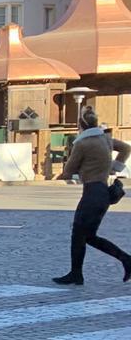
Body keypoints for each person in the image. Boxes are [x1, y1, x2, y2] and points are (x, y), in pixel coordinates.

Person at [53, 109, 131, 285]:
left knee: (79, 234)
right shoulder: (105, 139)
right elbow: (126, 148)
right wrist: (114, 167)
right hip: (103, 192)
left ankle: (76, 274)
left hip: (92, 193)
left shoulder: (82, 143)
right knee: (88, 236)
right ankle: (125, 260)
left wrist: (67, 173)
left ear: (81, 125)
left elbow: (69, 170)